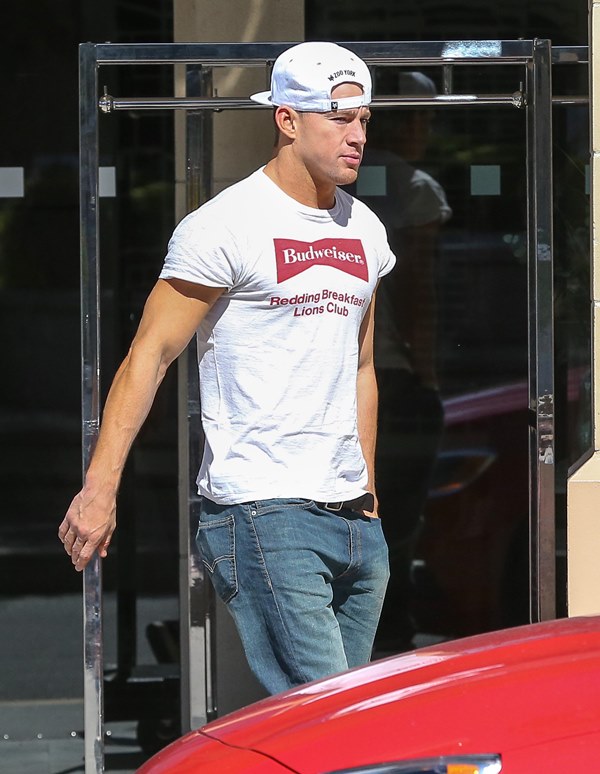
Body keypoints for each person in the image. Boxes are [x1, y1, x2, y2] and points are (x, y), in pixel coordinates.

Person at [58, 41, 396, 695]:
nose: (357, 135)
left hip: (354, 518)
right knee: (328, 713)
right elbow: (150, 354)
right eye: (338, 118)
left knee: (346, 723)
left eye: (363, 119)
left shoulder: (365, 229)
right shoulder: (225, 226)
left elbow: (361, 366)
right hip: (264, 509)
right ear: (287, 119)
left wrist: (370, 495)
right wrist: (100, 488)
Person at [348, 72, 451, 651]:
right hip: (392, 374)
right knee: (398, 520)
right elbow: (418, 291)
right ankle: (390, 640)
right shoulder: (414, 187)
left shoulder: (338, 181)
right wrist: (429, 374)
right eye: (423, 116)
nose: (426, 129)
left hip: (344, 374)